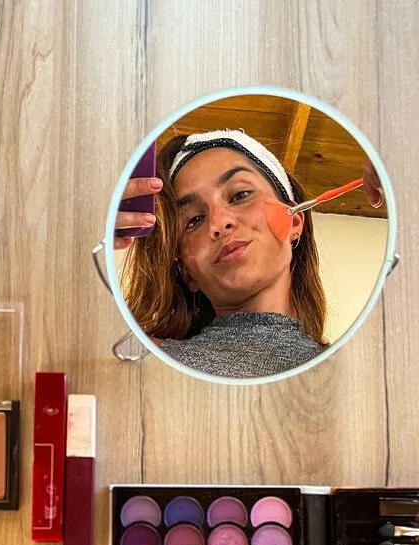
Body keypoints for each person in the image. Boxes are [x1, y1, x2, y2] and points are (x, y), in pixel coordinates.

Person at [116, 129, 327, 379]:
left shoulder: (356, 367)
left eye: (240, 195)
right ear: (187, 273)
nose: (219, 223)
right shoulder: (133, 357)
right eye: (194, 220)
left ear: (294, 222)